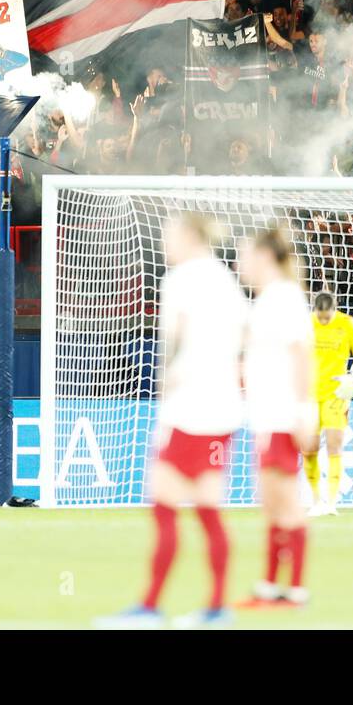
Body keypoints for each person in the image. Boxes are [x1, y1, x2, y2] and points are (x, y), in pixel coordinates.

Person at [97, 214, 245, 628]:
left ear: (188, 236)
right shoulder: (226, 281)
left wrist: (167, 403)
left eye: (169, 235)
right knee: (207, 508)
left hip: (188, 407)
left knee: (163, 503)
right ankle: (215, 607)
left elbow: (173, 352)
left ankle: (151, 607)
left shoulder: (180, 281)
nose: (164, 243)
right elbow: (237, 346)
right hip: (223, 410)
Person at [239, 227, 316, 608]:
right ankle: (271, 587)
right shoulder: (270, 299)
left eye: (245, 255)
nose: (240, 263)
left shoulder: (284, 299)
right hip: (267, 417)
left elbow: (302, 355)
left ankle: (295, 589)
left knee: (285, 503)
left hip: (283, 417)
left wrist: (303, 412)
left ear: (265, 257)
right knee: (270, 502)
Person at [304, 290, 353, 516]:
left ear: (334, 309)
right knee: (309, 448)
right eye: (319, 316)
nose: (323, 320)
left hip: (336, 396)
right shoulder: (306, 324)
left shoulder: (347, 324)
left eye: (326, 317)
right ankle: (315, 501)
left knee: (334, 446)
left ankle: (331, 502)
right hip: (309, 395)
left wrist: (352, 376)